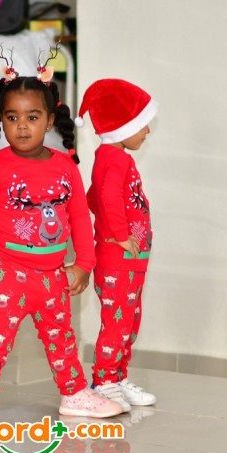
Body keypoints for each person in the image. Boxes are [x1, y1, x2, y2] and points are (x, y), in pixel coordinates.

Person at [0, 45, 124, 426]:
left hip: (53, 276)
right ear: (1, 120)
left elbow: (79, 217)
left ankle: (74, 393)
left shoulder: (65, 166)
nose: (22, 126)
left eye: (32, 117)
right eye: (12, 117)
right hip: (6, 274)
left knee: (61, 337)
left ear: (49, 121)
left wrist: (84, 263)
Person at [77, 78, 159, 411]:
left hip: (130, 259)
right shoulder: (115, 159)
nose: (147, 132)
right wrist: (119, 234)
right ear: (121, 128)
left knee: (128, 321)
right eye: (142, 125)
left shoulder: (112, 157)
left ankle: (117, 376)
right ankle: (104, 380)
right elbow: (108, 197)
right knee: (117, 322)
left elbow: (93, 197)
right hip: (118, 259)